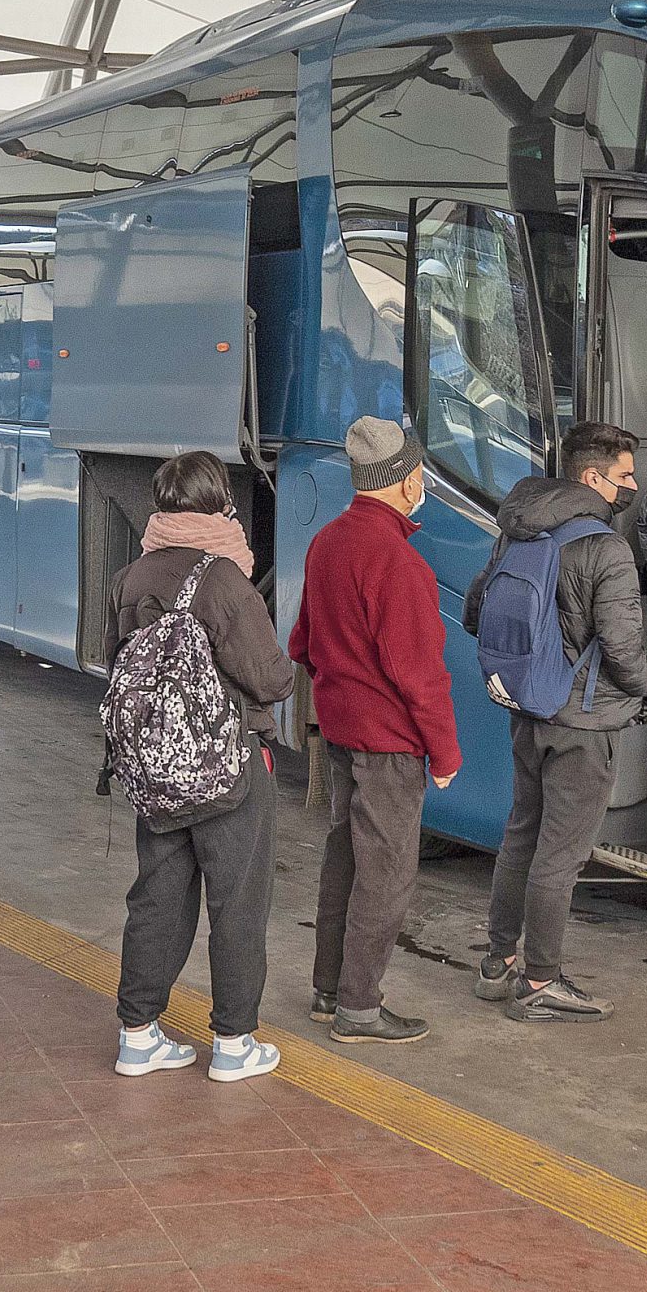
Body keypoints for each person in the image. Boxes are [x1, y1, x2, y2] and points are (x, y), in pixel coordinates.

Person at [107, 450, 296, 1081]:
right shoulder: (223, 578)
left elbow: (119, 668)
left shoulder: (134, 575)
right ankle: (235, 1044)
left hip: (156, 770)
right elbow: (268, 678)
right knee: (237, 903)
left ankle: (138, 1035)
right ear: (222, 503)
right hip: (229, 768)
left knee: (157, 897)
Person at [466, 422, 647, 1023]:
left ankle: (499, 964)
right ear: (592, 478)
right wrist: (644, 687)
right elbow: (624, 651)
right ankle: (543, 981)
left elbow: (476, 611)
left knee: (522, 833)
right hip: (583, 722)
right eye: (624, 476)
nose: (632, 486)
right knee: (561, 854)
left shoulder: (519, 531)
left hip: (527, 709)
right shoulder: (605, 547)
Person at [289, 417, 462, 1046]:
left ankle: (329, 991)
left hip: (340, 733)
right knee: (386, 873)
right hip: (388, 745)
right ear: (408, 480)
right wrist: (443, 752)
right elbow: (420, 676)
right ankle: (361, 1007)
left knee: (344, 858)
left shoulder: (326, 544)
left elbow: (302, 643)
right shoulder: (399, 563)